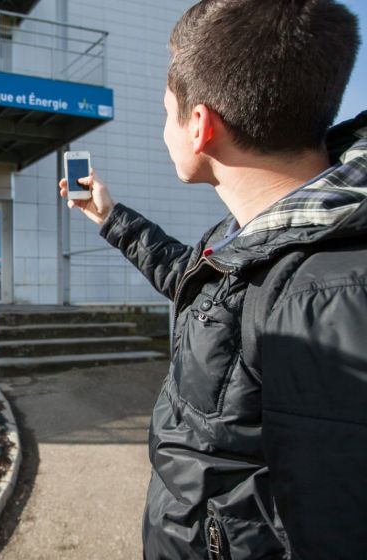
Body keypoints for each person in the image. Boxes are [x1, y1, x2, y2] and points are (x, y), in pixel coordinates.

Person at [60, 1, 365, 558]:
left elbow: (336, 523)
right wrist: (109, 217)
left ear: (199, 126)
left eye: (166, 112)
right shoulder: (254, 235)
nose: (163, 128)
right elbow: (201, 286)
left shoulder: (330, 292)